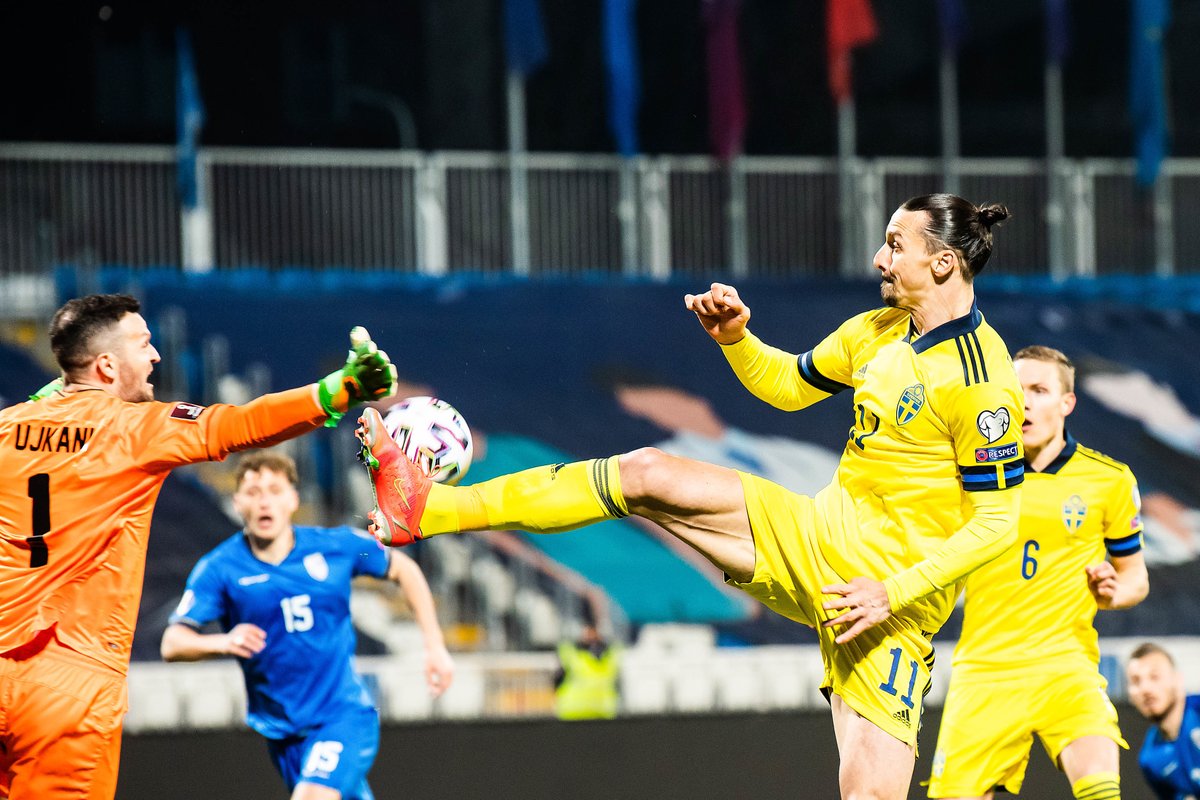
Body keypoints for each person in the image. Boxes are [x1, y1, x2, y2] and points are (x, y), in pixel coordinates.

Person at [357, 193, 1025, 797]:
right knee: (648, 474)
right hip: (811, 534)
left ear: (942, 265)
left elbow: (998, 521)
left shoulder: (981, 379)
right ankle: (425, 509)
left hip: (885, 603)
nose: (879, 257)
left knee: (871, 796)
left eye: (896, 245)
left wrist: (893, 591)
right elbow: (789, 386)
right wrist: (738, 340)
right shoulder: (877, 332)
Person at [0, 293, 396, 799]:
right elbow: (239, 425)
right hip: (68, 680)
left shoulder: (8, 427)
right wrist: (339, 391)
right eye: (143, 344)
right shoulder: (134, 428)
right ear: (106, 365)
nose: (156, 356)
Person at [161, 451, 453, 800]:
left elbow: (403, 569)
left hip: (342, 717)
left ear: (293, 500)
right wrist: (222, 642)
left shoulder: (335, 546)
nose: (264, 501)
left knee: (312, 797)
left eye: (274, 490)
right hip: (284, 736)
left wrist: (434, 647)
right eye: (253, 492)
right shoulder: (220, 568)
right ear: (238, 502)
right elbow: (172, 643)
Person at [926, 345, 1149, 800]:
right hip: (984, 671)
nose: (1023, 401)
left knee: (1102, 791)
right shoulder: (970, 475)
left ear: (1066, 403)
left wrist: (1112, 594)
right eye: (1015, 389)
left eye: (1039, 390)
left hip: (1065, 668)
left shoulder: (1109, 480)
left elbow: (1135, 578)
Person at [1125, 643, 1200, 800]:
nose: (1145, 688)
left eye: (1155, 677)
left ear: (1177, 680)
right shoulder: (1149, 759)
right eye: (1136, 681)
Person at [554, 623, 621, 721]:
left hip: (603, 715)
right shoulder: (570, 654)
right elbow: (556, 681)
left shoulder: (612, 654)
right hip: (572, 715)